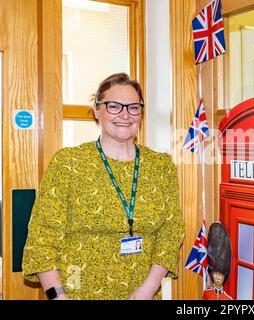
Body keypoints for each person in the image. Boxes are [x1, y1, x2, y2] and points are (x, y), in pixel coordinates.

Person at [22, 73, 184, 300]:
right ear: (97, 110)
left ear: (141, 113)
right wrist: (57, 296)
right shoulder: (69, 163)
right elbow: (42, 238)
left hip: (143, 293)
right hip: (76, 293)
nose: (125, 115)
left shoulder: (161, 166)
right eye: (114, 106)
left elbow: (171, 232)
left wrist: (148, 289)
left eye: (133, 107)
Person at [203, 222, 232, 300]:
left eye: (220, 275)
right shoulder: (206, 294)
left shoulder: (228, 298)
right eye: (215, 273)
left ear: (224, 276)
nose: (218, 278)